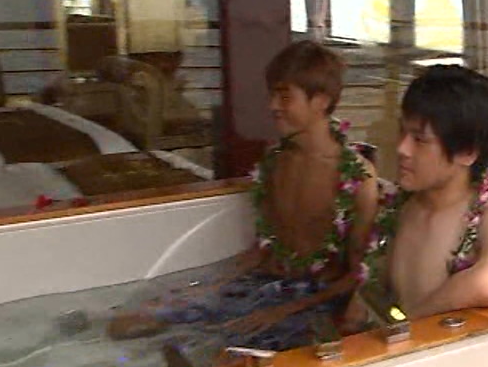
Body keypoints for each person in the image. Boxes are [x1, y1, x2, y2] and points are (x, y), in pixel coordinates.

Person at [107, 40, 380, 341]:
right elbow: (264, 248)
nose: (272, 106)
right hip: (264, 282)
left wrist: (283, 311)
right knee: (126, 324)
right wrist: (200, 290)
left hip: (313, 301)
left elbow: (359, 275)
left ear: (321, 101)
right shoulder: (276, 160)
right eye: (272, 95)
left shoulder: (357, 178)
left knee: (219, 354)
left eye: (284, 97)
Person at [356, 65, 488, 322]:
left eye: (419, 139)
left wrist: (410, 324)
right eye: (402, 132)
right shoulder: (402, 207)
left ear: (467, 152)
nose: (402, 148)